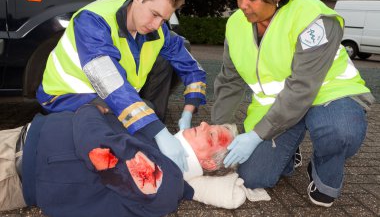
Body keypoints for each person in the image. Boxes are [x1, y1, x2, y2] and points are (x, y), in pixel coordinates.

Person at [211, 0, 375, 207]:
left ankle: (323, 172)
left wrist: (256, 135)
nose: (242, 5)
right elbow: (229, 81)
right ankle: (289, 151)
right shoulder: (236, 25)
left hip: (328, 96)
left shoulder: (313, 17)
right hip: (279, 109)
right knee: (253, 176)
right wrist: (218, 131)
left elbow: (302, 88)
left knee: (340, 132)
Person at [36, 0, 206, 173]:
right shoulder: (93, 21)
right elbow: (110, 83)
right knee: (126, 135)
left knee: (144, 117)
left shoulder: (158, 31)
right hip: (65, 96)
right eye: (154, 15)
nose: (157, 25)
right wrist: (159, 131)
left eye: (164, 20)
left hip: (106, 96)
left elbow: (192, 68)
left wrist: (189, 111)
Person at [0, 105, 255, 216]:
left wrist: (89, 109)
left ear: (209, 163)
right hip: (19, 136)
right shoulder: (159, 141)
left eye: (212, 135)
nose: (204, 123)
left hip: (12, 170)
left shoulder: (163, 183)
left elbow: (100, 154)